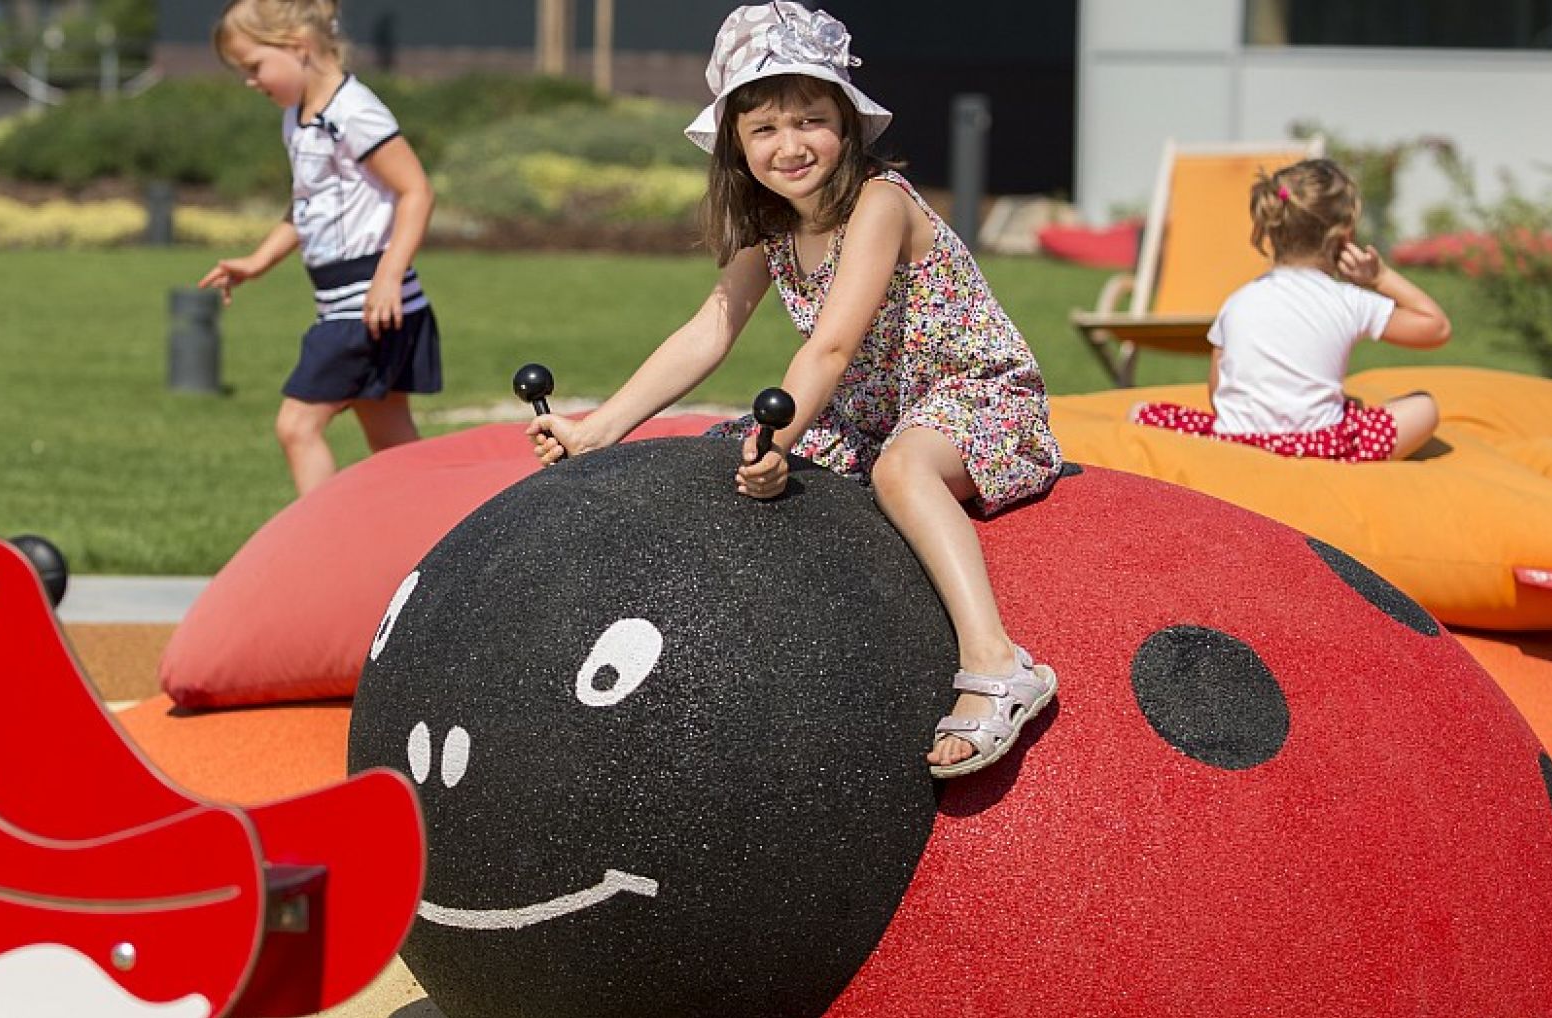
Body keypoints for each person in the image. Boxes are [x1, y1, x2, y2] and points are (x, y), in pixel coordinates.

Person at [526, 2, 1064, 779]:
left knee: (899, 472)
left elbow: (834, 345)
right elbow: (710, 328)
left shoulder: (882, 203)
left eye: (810, 120)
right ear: (736, 146)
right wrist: (598, 429)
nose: (790, 146)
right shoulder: (771, 228)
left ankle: (997, 661)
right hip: (871, 415)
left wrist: (778, 441)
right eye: (765, 130)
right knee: (715, 459)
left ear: (846, 125)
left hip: (975, 399)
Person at [200, 0, 441, 497]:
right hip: (349, 303)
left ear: (298, 47)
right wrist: (257, 262)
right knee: (392, 441)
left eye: (254, 66)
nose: (250, 81)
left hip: (368, 305)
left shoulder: (353, 112)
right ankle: (435, 540)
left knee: (297, 426)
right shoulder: (299, 116)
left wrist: (389, 275)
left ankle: (323, 546)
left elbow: (416, 190)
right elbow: (304, 205)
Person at [1128, 158, 1454, 461]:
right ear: (1345, 236)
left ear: (1272, 229)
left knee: (1139, 411)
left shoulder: (1238, 300)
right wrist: (1381, 277)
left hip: (1236, 441)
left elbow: (1218, 393)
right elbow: (1435, 327)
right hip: (1320, 446)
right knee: (1424, 406)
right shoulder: (1348, 299)